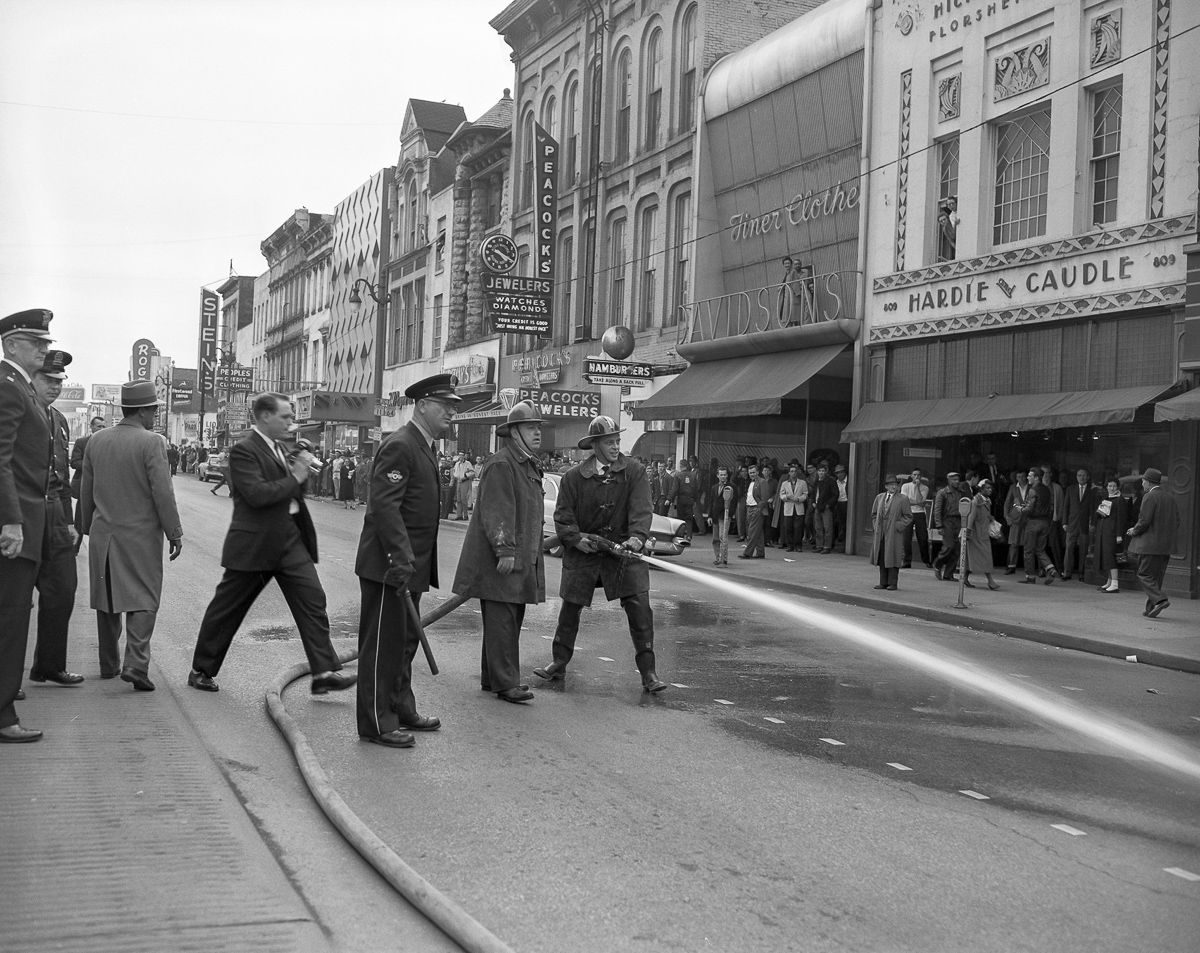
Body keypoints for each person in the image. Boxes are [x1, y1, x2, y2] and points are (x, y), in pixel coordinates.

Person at [188, 394, 353, 697]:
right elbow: (257, 495)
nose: (292, 422)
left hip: (289, 540)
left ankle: (323, 671)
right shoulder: (244, 451)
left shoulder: (280, 448)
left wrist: (300, 471)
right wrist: (297, 475)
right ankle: (202, 669)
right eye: (286, 416)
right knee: (228, 609)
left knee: (313, 600)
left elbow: (294, 491)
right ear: (265, 416)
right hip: (255, 543)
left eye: (291, 417)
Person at [354, 374, 460, 747]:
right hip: (389, 566)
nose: (452, 411)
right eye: (445, 405)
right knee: (382, 646)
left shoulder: (424, 445)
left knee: (403, 644)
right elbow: (385, 506)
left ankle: (400, 706)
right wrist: (399, 558)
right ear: (422, 405)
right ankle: (376, 722)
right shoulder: (401, 444)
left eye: (453, 406)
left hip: (410, 566)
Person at [531, 415, 667, 693]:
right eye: (609, 442)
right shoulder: (572, 477)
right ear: (595, 445)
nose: (616, 446)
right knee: (570, 608)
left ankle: (649, 673)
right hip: (585, 550)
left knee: (640, 609)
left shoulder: (634, 472)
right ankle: (559, 662)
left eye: (617, 441)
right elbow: (563, 515)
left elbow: (642, 509)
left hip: (623, 553)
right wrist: (575, 539)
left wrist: (637, 539)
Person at [81, 381, 184, 692]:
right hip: (139, 537)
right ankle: (136, 666)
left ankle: (108, 664)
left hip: (104, 535)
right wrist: (174, 532)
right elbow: (162, 493)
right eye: (153, 409)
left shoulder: (96, 441)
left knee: (107, 598)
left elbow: (86, 492)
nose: (154, 415)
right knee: (144, 598)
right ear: (142, 410)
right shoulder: (152, 442)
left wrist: (87, 527)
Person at [452, 401, 545, 703]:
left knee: (506, 619)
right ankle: (506, 683)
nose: (537, 433)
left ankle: (494, 678)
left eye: (538, 427)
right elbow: (498, 511)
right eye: (531, 427)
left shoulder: (525, 464)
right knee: (502, 620)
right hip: (502, 559)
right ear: (514, 432)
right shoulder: (503, 464)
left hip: (518, 558)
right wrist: (505, 549)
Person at [0, 308, 56, 742]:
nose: (44, 347)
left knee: (14, 615)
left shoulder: (22, 388)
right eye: (35, 341)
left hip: (26, 521)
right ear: (11, 343)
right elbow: (1, 461)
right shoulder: (9, 388)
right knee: (11, 617)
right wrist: (12, 522)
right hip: (16, 525)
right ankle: (3, 717)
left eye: (45, 341)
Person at [28, 350, 84, 687]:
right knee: (15, 602)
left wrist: (68, 522)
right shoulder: (17, 413)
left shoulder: (58, 420)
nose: (55, 387)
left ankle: (49, 665)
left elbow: (61, 476)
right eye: (48, 380)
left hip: (55, 517)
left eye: (59, 381)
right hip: (26, 512)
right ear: (31, 379)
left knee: (63, 591)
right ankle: (6, 681)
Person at [1125, 467, 1179, 618]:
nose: (1142, 484)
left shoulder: (1149, 497)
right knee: (1156, 578)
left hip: (1149, 546)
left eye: (1143, 481)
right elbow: (1177, 521)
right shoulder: (1170, 497)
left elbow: (1144, 521)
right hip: (1166, 546)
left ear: (1148, 482)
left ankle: (1160, 600)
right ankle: (1151, 608)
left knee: (1144, 574)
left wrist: (1133, 531)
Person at [870, 474, 912, 590]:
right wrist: (875, 526)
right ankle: (883, 582)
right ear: (886, 486)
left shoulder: (903, 499)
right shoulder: (879, 497)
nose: (894, 487)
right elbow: (874, 514)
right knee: (882, 555)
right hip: (881, 532)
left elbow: (908, 516)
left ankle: (893, 583)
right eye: (891, 484)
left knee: (893, 556)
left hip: (894, 532)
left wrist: (898, 526)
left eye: (895, 484)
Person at [1018, 467, 1058, 585]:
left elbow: (1029, 509)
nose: (1028, 478)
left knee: (1028, 550)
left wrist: (1021, 509)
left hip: (1033, 523)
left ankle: (1030, 576)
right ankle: (1050, 568)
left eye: (1030, 476)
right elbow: (1051, 507)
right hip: (1045, 523)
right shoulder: (1047, 490)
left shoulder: (1032, 490)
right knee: (1040, 549)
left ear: (1036, 478)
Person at [70, 415, 106, 546]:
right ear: (91, 427)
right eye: (98, 426)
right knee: (80, 520)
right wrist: (91, 466)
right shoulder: (82, 442)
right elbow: (74, 462)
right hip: (84, 488)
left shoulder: (108, 443)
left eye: (103, 426)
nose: (101, 429)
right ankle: (74, 548)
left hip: (102, 489)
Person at [1094, 477, 1131, 593]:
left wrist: (1119, 535)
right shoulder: (1106, 498)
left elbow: (1122, 519)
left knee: (1111, 558)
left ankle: (1115, 583)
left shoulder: (1120, 500)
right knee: (1106, 558)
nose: (1112, 488)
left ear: (1118, 487)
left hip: (1113, 533)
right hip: (1104, 533)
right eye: (1110, 486)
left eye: (1114, 486)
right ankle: (1109, 582)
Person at [1062, 468, 1099, 582]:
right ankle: (1067, 572)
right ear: (1076, 477)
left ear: (1087, 477)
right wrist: (1064, 522)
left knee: (1083, 550)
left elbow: (1094, 509)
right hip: (1072, 524)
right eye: (1079, 475)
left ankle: (1082, 573)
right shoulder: (1070, 489)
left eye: (1083, 475)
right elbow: (1066, 506)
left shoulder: (1092, 491)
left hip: (1085, 524)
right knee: (1069, 549)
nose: (1081, 477)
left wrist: (1093, 523)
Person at [931, 472, 969, 582]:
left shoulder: (961, 492)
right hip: (947, 521)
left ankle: (948, 574)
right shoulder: (942, 493)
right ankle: (937, 564)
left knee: (957, 549)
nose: (956, 482)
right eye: (954, 480)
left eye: (958, 479)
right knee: (948, 546)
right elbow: (937, 510)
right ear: (948, 480)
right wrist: (939, 525)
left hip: (959, 521)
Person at [963, 478, 1000, 590]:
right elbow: (971, 517)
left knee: (972, 558)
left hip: (983, 533)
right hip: (976, 535)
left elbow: (985, 515)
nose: (990, 490)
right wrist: (967, 533)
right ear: (981, 489)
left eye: (991, 488)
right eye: (987, 488)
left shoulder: (986, 501)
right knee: (985, 557)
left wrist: (990, 518)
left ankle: (964, 577)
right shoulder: (975, 502)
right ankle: (990, 581)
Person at [899, 468, 931, 568]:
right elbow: (905, 501)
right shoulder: (905, 486)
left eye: (918, 475)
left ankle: (926, 560)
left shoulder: (924, 488)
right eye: (914, 474)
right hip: (908, 513)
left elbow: (921, 501)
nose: (916, 476)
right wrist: (918, 503)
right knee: (906, 538)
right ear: (911, 476)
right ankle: (907, 561)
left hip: (920, 513)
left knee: (923, 537)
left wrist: (917, 488)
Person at [1002, 469, 1030, 574]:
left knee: (1028, 544)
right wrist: (1007, 517)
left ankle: (1028, 567)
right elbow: (1007, 503)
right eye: (1018, 477)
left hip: (1028, 519)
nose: (1021, 479)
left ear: (1026, 477)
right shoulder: (1013, 487)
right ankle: (1011, 566)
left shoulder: (1031, 487)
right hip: (1015, 519)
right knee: (1014, 543)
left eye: (1023, 477)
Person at [738, 463, 767, 559]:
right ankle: (760, 553)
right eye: (750, 473)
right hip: (749, 508)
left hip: (756, 508)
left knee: (752, 532)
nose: (752, 474)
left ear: (758, 472)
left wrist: (758, 509)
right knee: (758, 532)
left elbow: (764, 498)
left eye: (754, 472)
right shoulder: (750, 482)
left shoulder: (762, 482)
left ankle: (747, 553)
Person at [707, 465, 734, 566]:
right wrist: (709, 516)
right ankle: (718, 557)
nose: (723, 477)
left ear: (727, 475)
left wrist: (729, 515)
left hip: (725, 517)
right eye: (721, 475)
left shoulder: (731, 487)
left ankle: (723, 558)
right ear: (717, 475)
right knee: (715, 538)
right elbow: (711, 502)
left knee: (723, 537)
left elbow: (733, 503)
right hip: (715, 516)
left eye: (725, 475)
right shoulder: (714, 487)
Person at [777, 464, 807, 552]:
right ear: (789, 473)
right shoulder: (784, 483)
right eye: (791, 471)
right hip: (788, 507)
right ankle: (790, 545)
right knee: (788, 527)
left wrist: (798, 499)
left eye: (795, 471)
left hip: (798, 506)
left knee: (798, 528)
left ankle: (798, 545)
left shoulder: (802, 482)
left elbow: (805, 494)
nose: (793, 473)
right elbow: (781, 495)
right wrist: (787, 497)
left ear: (797, 472)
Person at [810, 463, 837, 554]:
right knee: (818, 527)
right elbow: (813, 493)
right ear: (817, 472)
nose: (821, 473)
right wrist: (813, 502)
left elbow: (835, 494)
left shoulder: (831, 481)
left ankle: (827, 546)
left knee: (827, 527)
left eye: (823, 471)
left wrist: (828, 504)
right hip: (817, 506)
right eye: (820, 471)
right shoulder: (816, 481)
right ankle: (819, 545)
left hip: (826, 507)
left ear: (826, 472)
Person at [451, 451, 473, 519]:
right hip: (458, 481)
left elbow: (472, 472)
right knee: (458, 499)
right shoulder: (457, 463)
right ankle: (459, 515)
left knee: (464, 499)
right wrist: (455, 476)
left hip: (464, 481)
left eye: (462, 455)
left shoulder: (468, 463)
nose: (460, 457)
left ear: (464, 456)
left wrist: (465, 476)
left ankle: (465, 515)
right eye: (459, 455)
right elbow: (454, 471)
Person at [833, 463, 849, 549]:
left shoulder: (850, 481)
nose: (839, 474)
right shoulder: (835, 482)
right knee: (838, 523)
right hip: (838, 504)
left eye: (841, 472)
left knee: (847, 524)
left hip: (847, 503)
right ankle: (839, 542)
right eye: (837, 473)